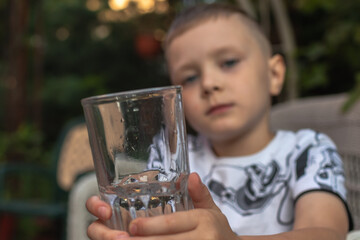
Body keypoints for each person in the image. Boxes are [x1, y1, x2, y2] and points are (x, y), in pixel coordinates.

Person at [85, 3, 353, 240]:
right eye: (189, 78)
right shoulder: (173, 157)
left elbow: (327, 233)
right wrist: (129, 228)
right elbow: (151, 223)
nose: (209, 84)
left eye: (228, 62)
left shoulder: (308, 151)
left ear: (274, 74)